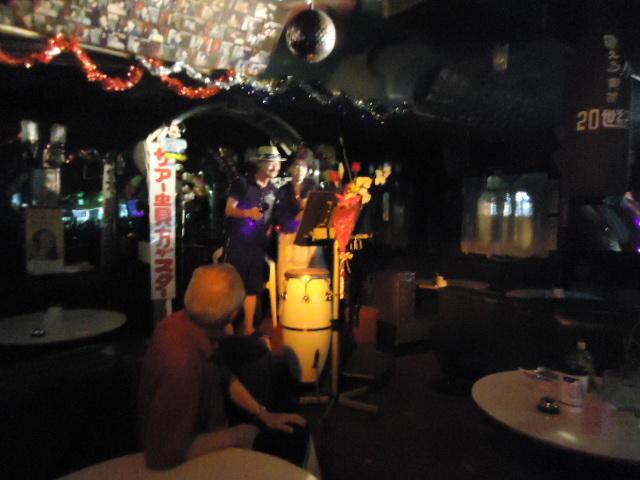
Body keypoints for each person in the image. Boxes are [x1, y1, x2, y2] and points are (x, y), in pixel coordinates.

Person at [138, 263, 307, 470]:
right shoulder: (182, 367)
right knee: (295, 441)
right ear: (233, 315)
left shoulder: (183, 321)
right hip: (193, 459)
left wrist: (263, 414)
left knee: (293, 427)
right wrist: (237, 436)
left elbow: (224, 375)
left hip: (211, 428)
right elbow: (161, 455)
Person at [224, 145, 284, 335]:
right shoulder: (242, 183)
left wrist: (273, 228)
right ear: (259, 163)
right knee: (235, 286)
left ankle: (248, 327)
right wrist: (247, 213)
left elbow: (273, 217)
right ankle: (226, 326)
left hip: (258, 246)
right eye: (271, 162)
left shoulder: (274, 190)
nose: (275, 167)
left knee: (253, 287)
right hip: (239, 244)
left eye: (277, 163)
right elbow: (229, 209)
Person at [273, 149, 324, 296]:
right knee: (288, 277)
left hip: (309, 239)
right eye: (296, 165)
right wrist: (295, 219)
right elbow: (278, 217)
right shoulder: (283, 190)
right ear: (290, 168)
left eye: (303, 166)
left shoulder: (313, 187)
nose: (300, 170)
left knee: (313, 277)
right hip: (289, 239)